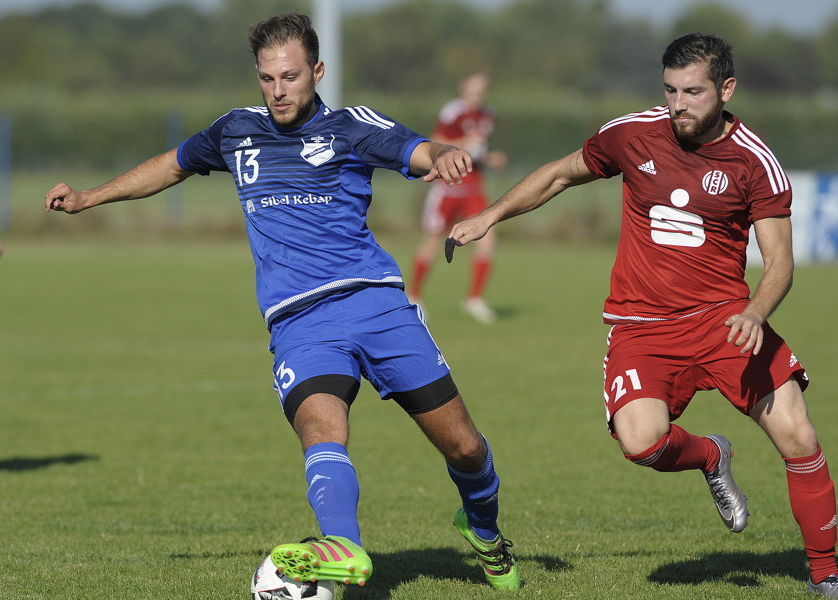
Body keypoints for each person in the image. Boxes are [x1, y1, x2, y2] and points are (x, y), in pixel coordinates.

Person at [44, 13, 519, 592]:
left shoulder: (350, 126)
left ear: (317, 71)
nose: (278, 90)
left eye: (290, 77)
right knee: (321, 427)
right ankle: (344, 547)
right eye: (267, 78)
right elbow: (171, 165)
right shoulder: (236, 130)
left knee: (464, 447)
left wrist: (443, 154)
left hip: (374, 304)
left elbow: (416, 147)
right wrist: (88, 198)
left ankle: (483, 529)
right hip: (298, 319)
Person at [446, 33, 838, 600]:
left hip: (727, 320)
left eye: (693, 92)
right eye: (670, 90)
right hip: (642, 326)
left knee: (798, 434)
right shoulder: (633, 134)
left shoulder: (755, 161)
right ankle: (710, 455)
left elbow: (780, 263)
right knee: (642, 443)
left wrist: (756, 311)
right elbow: (560, 173)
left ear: (726, 89)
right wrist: (490, 216)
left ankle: (826, 576)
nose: (678, 104)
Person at [408, 71, 507, 324]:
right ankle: (414, 295)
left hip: (474, 187)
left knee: (487, 240)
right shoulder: (453, 112)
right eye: (474, 88)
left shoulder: (488, 114)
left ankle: (474, 299)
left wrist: (490, 158)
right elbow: (436, 141)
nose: (478, 93)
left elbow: (477, 150)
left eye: (482, 88)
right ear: (464, 88)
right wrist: (464, 140)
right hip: (449, 187)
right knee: (432, 243)